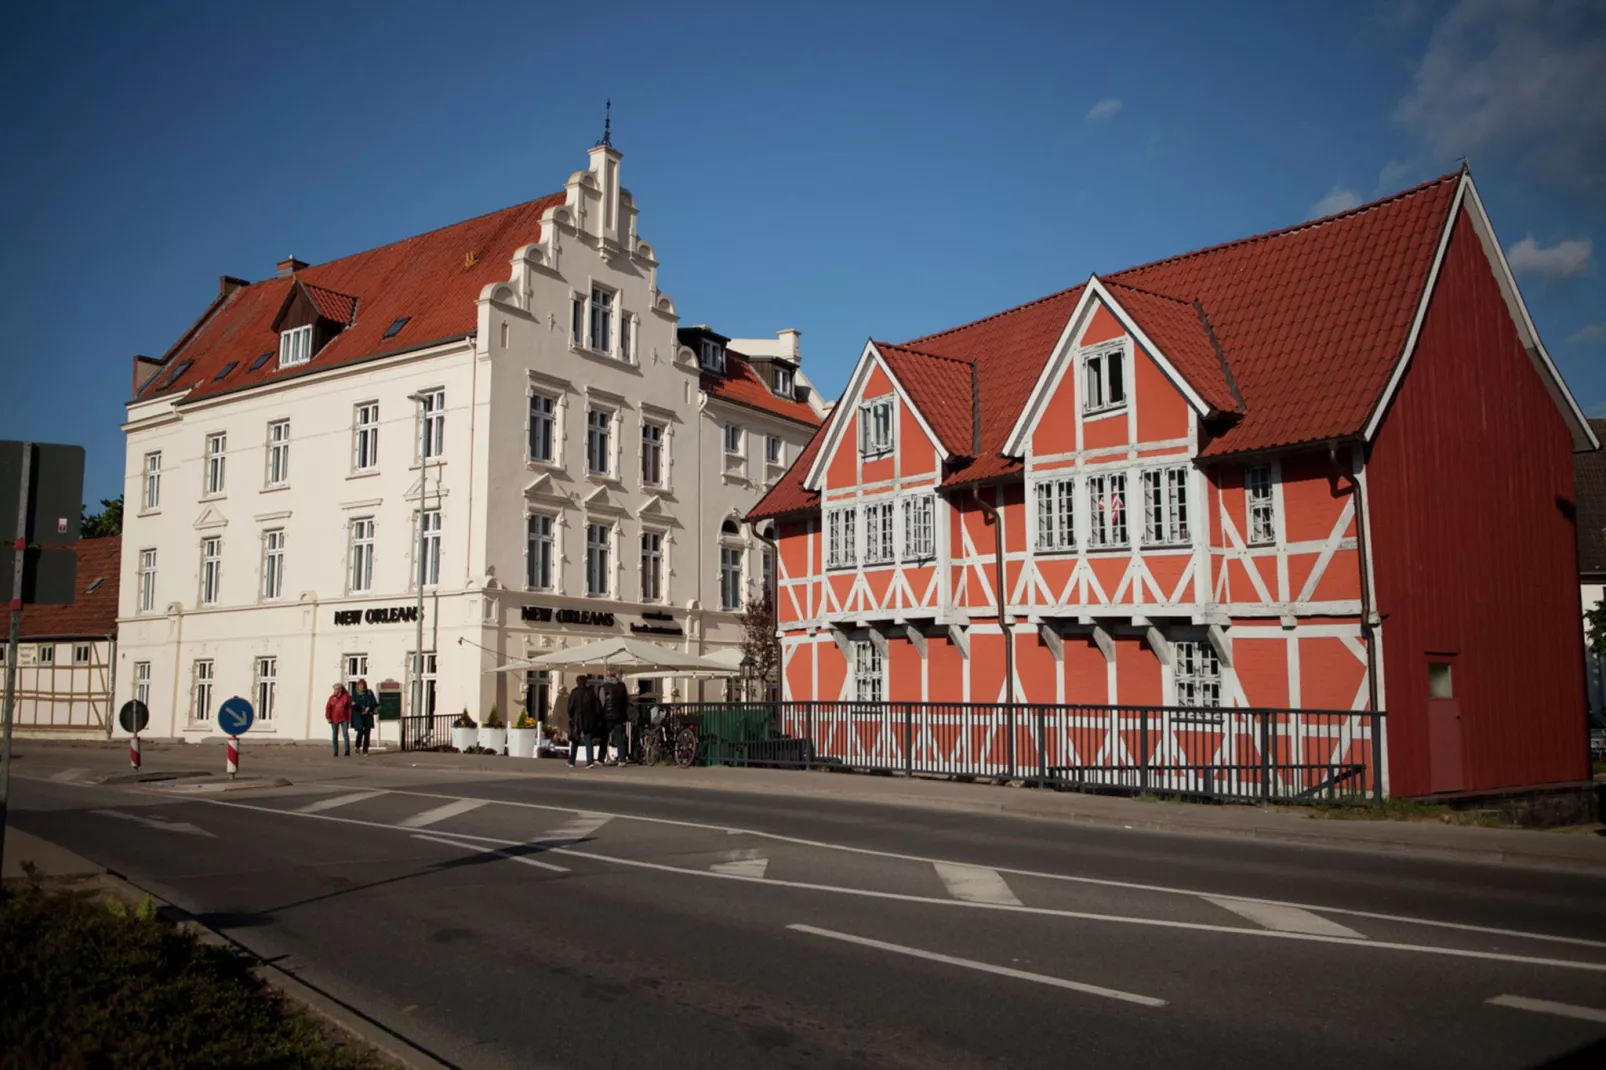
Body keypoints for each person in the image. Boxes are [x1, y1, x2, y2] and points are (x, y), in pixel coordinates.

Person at [566, 673, 601, 768]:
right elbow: (597, 706)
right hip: (589, 719)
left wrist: (572, 716)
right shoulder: (591, 692)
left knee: (575, 740)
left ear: (577, 682)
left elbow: (570, 707)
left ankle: (571, 761)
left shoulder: (574, 692)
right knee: (588, 740)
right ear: (586, 682)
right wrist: (594, 716)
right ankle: (590, 761)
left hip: (577, 719)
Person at [600, 673, 631, 765]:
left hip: (607, 716)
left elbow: (602, 702)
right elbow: (626, 701)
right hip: (620, 716)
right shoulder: (622, 686)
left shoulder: (604, 687)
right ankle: (622, 759)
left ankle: (600, 758)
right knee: (619, 738)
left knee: (604, 737)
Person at [350, 678, 379, 755]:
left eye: (362, 685)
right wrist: (360, 709)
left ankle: (365, 750)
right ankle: (357, 746)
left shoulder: (369, 692)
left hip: (368, 715)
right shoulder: (355, 693)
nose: (361, 687)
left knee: (367, 733)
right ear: (357, 686)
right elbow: (353, 704)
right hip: (359, 716)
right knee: (360, 732)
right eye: (360, 685)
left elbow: (374, 702)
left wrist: (369, 707)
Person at [325, 683, 353, 757]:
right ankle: (335, 751)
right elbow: (328, 708)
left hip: (344, 717)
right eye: (334, 689)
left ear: (340, 689)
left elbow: (349, 708)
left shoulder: (346, 697)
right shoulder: (331, 698)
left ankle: (347, 750)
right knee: (334, 734)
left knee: (345, 734)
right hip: (334, 718)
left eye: (336, 689)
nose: (335, 690)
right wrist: (328, 717)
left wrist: (350, 718)